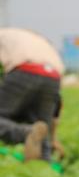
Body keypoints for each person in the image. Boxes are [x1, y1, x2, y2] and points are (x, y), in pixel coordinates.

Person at [0, 28, 65, 161]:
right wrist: (52, 139)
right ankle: (46, 169)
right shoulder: (42, 42)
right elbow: (56, 107)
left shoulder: (4, 35)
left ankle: (24, 132)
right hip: (54, 77)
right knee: (41, 127)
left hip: (24, 70)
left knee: (8, 120)